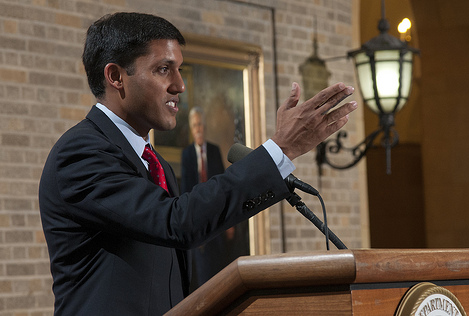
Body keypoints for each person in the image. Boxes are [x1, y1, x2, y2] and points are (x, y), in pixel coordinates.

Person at [38, 12, 357, 316]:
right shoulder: (80, 153)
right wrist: (281, 148)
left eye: (179, 69)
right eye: (163, 69)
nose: (180, 85)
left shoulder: (155, 163)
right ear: (116, 76)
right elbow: (177, 222)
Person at [181, 107, 248, 291]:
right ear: (191, 128)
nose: (199, 129)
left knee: (220, 274)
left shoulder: (214, 151)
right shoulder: (186, 155)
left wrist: (229, 223)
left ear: (205, 126)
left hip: (217, 221)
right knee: (203, 279)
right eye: (195, 125)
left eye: (201, 124)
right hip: (198, 221)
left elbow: (223, 186)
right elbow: (185, 191)